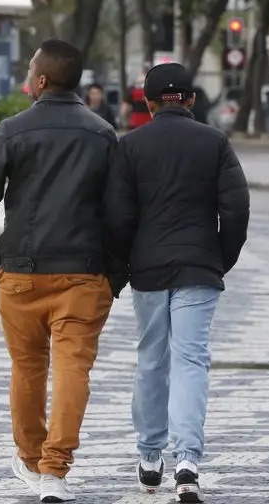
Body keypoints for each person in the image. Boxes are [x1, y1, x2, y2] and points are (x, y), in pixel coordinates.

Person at [0, 40, 123, 503]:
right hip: (84, 274)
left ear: (41, 80)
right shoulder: (102, 133)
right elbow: (120, 212)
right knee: (74, 368)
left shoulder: (12, 130)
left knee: (27, 367)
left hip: (21, 272)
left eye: (29, 69)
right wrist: (114, 274)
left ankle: (31, 460)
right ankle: (55, 470)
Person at [103, 62, 250, 504]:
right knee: (191, 360)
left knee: (151, 359)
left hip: (147, 269)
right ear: (190, 99)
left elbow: (118, 216)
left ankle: (150, 456)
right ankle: (188, 459)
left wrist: (123, 266)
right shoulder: (215, 142)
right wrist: (219, 260)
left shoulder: (130, 146)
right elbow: (237, 210)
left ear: (147, 103)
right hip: (199, 268)